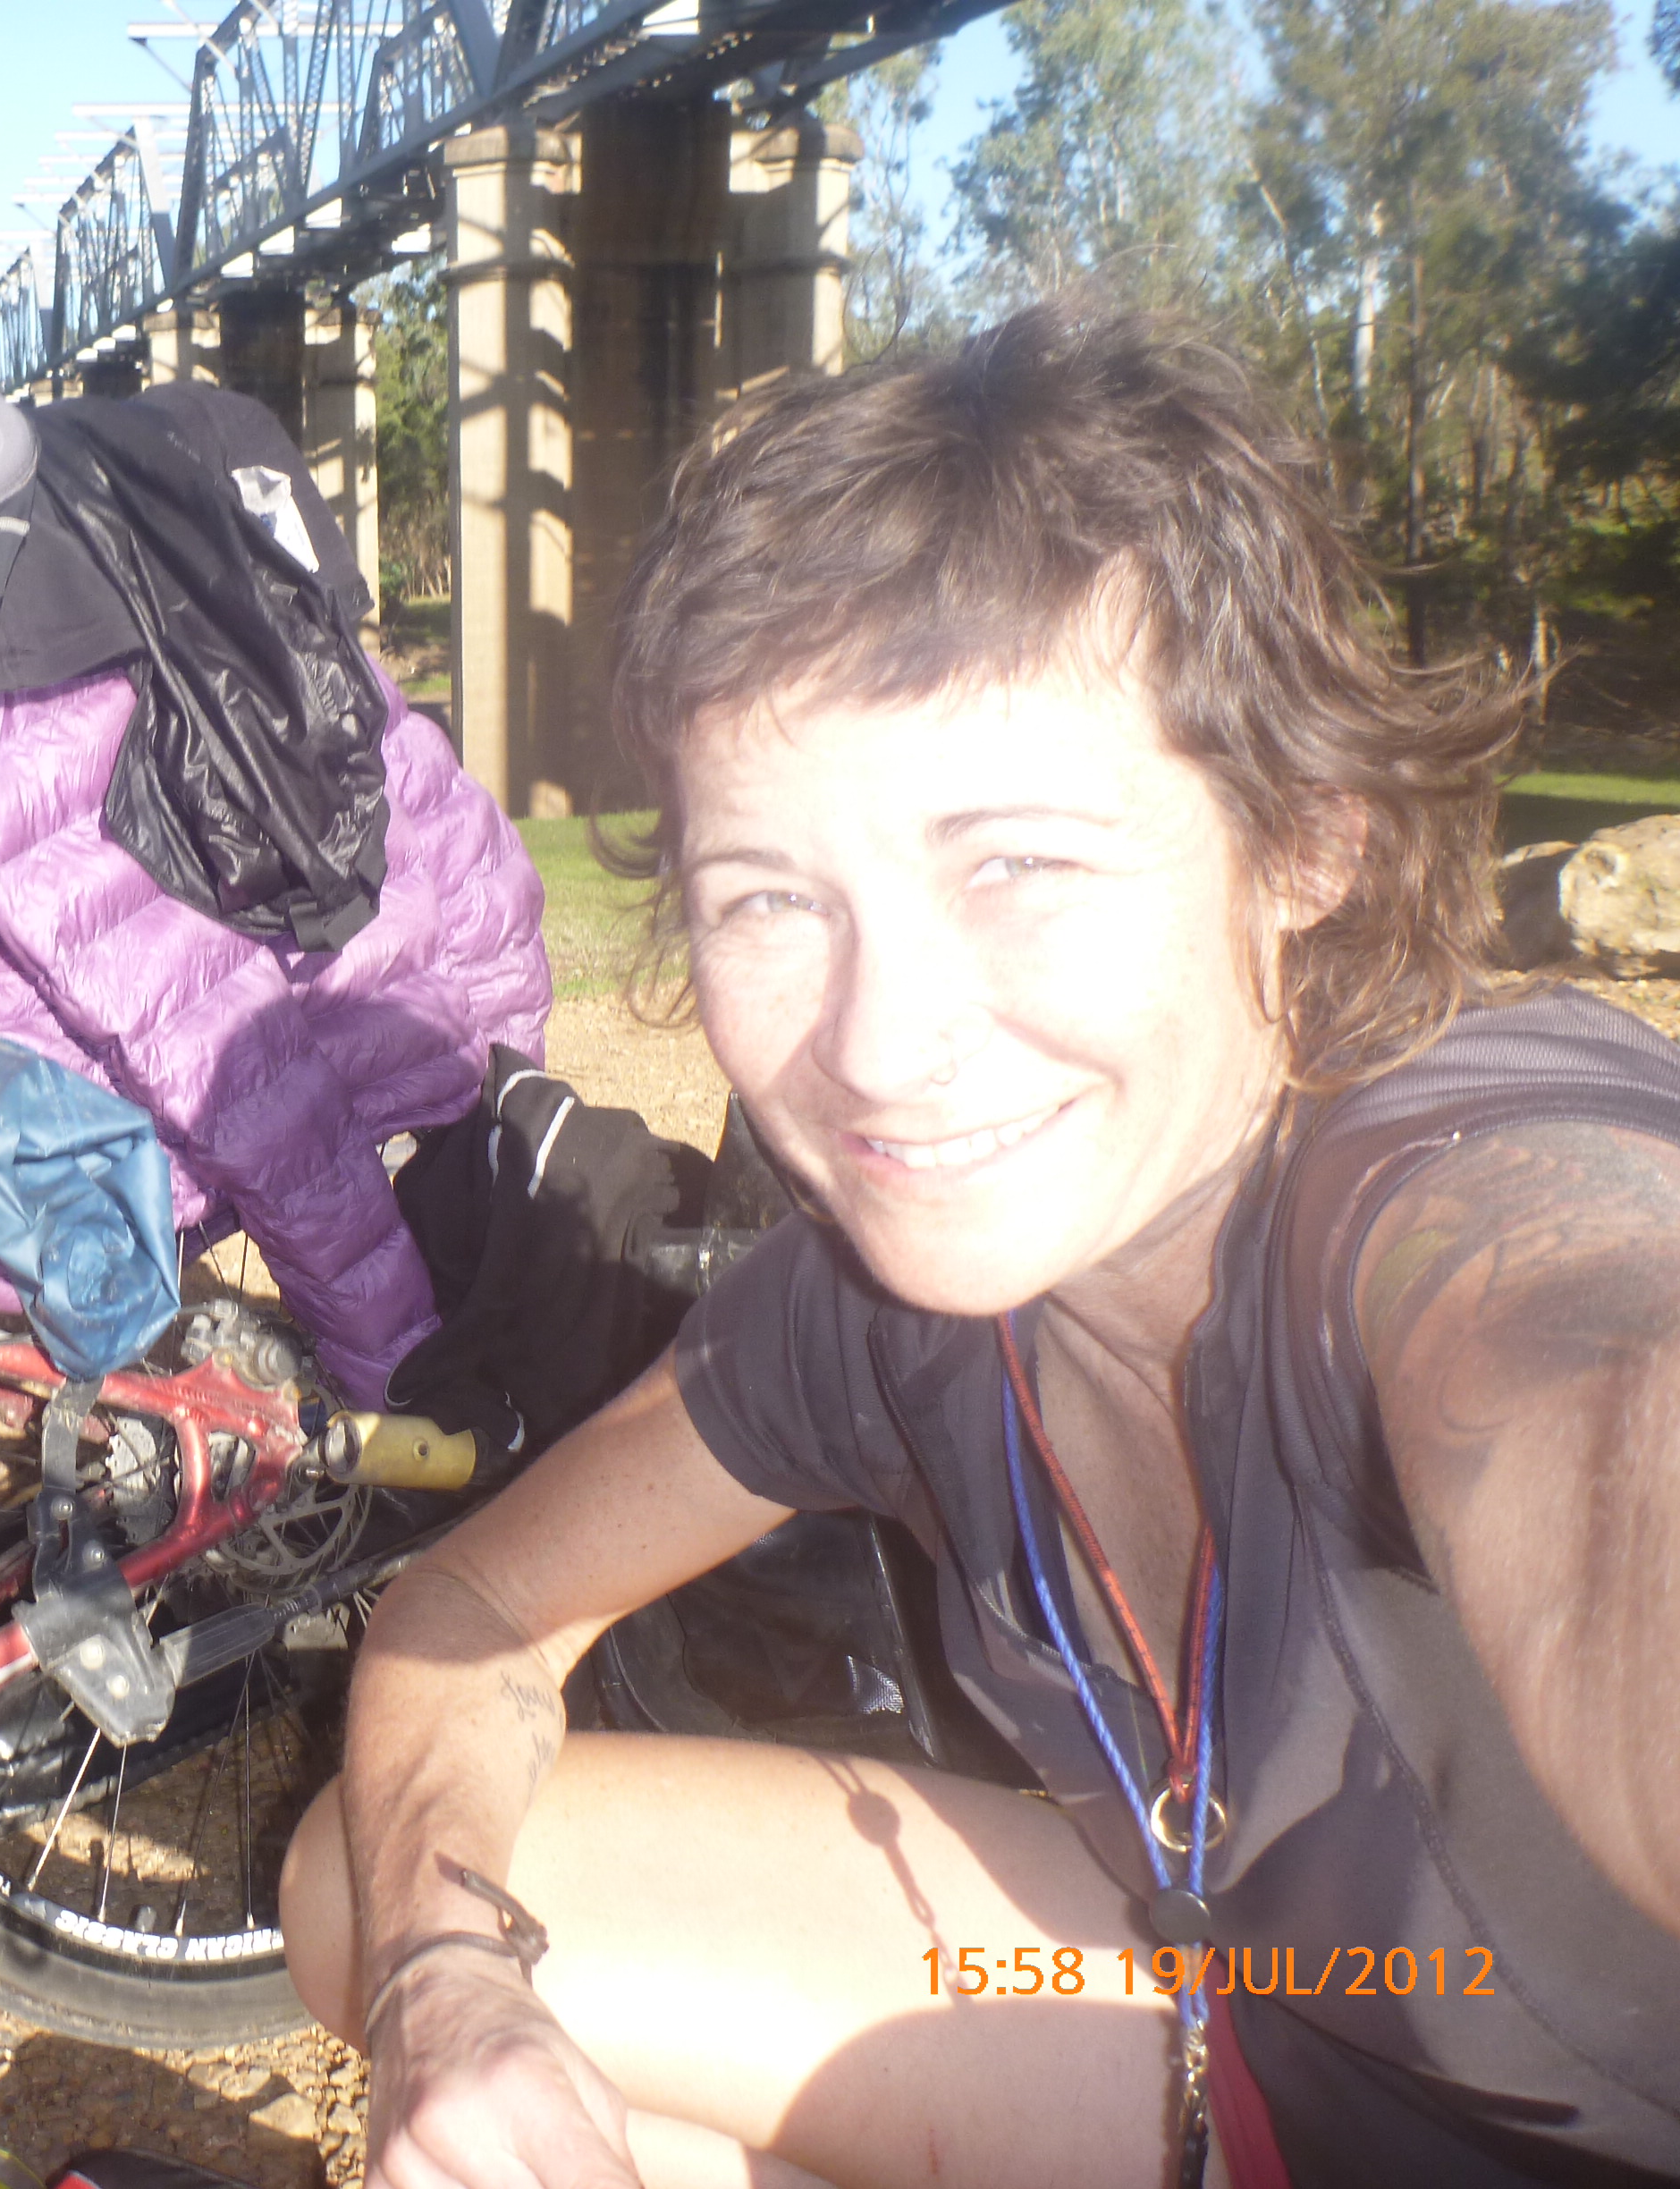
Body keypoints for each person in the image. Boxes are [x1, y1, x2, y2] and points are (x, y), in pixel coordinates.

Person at [279, 303, 1680, 2188]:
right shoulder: (881, 1304)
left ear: (1307, 843)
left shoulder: (1455, 1184)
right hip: (1239, 2024)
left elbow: (1601, 1377)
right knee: (362, 1891)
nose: (876, 1047)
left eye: (1015, 862)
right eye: (769, 896)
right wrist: (449, 1981)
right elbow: (469, 1621)